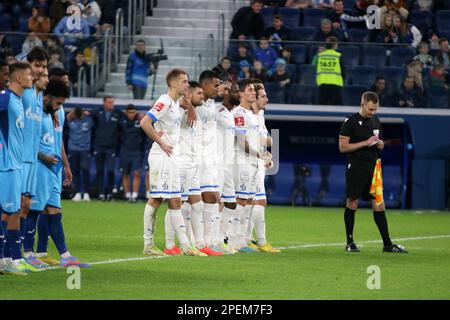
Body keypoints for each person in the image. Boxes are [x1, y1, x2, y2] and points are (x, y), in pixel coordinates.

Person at [140, 69, 205, 257]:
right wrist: (161, 142)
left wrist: (190, 107)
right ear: (173, 84)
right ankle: (149, 244)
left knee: (175, 200)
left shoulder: (176, 103)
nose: (187, 85)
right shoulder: (164, 101)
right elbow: (144, 122)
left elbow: (186, 104)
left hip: (171, 157)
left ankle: (185, 246)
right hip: (161, 155)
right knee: (156, 199)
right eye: (184, 82)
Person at [30, 77, 90, 267]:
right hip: (39, 167)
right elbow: (27, 140)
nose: (59, 107)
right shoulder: (34, 110)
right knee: (33, 210)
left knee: (54, 211)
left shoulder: (54, 113)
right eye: (58, 103)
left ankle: (65, 256)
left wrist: (65, 164)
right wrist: (42, 157)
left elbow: (58, 140)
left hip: (53, 168)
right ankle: (28, 254)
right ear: (47, 96)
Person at [338, 91, 407, 253]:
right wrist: (365, 142)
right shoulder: (350, 121)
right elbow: (343, 148)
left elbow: (379, 143)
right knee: (353, 201)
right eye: (370, 109)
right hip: (356, 166)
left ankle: (387, 245)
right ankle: (350, 242)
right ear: (362, 105)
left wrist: (380, 144)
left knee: (379, 204)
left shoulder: (376, 121)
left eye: (375, 109)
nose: (373, 112)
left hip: (374, 167)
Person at [166, 81, 222, 256]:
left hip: (193, 163)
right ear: (189, 95)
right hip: (180, 163)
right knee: (177, 204)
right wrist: (187, 106)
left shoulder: (196, 110)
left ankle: (199, 243)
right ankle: (170, 245)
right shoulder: (178, 109)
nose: (202, 96)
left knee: (197, 204)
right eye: (198, 93)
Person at [0, 61, 34, 275]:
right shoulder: (5, 97)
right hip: (7, 164)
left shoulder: (19, 101)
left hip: (17, 165)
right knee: (5, 212)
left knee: (13, 211)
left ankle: (8, 259)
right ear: (19, 78)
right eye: (29, 74)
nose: (32, 78)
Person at [230, 79, 270, 252]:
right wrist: (259, 154)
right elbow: (241, 142)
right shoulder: (238, 114)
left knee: (248, 202)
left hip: (253, 163)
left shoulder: (252, 115)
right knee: (240, 201)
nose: (253, 93)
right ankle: (232, 241)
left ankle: (243, 241)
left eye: (254, 91)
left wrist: (263, 154)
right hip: (243, 162)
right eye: (250, 90)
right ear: (240, 93)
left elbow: (260, 139)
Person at [249, 82, 280, 253]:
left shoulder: (259, 115)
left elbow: (268, 139)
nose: (266, 99)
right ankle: (259, 241)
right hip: (245, 163)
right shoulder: (246, 115)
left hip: (258, 161)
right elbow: (252, 139)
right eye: (263, 96)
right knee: (253, 201)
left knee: (251, 202)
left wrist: (267, 154)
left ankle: (249, 240)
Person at [196, 70, 222, 250]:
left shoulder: (211, 104)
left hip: (210, 159)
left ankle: (207, 242)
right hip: (195, 157)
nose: (218, 89)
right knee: (187, 201)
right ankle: (193, 241)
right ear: (204, 86)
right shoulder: (193, 104)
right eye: (215, 85)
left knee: (212, 198)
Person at [91, 95, 121, 201]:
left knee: (110, 170)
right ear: (104, 102)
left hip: (111, 148)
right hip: (98, 146)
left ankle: (109, 193)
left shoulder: (118, 113)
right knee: (99, 170)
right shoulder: (96, 112)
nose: (111, 104)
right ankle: (101, 193)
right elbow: (86, 115)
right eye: (109, 102)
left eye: (113, 102)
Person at [67, 106, 94, 202]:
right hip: (73, 149)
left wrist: (88, 113)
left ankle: (86, 193)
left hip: (85, 149)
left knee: (85, 170)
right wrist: (71, 113)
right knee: (75, 171)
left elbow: (96, 119)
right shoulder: (70, 120)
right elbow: (64, 118)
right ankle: (77, 192)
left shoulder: (89, 120)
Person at [119, 104, 144, 203]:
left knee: (137, 173)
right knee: (125, 173)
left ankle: (134, 195)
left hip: (136, 151)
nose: (132, 114)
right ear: (126, 112)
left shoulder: (140, 121)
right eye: (130, 112)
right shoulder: (121, 121)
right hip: (124, 150)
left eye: (133, 112)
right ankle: (127, 195)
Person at [316, 36, 344, 105]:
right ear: (334, 45)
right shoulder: (338, 56)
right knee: (335, 107)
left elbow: (317, 68)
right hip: (335, 84)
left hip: (322, 83)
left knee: (322, 107)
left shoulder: (320, 56)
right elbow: (343, 71)